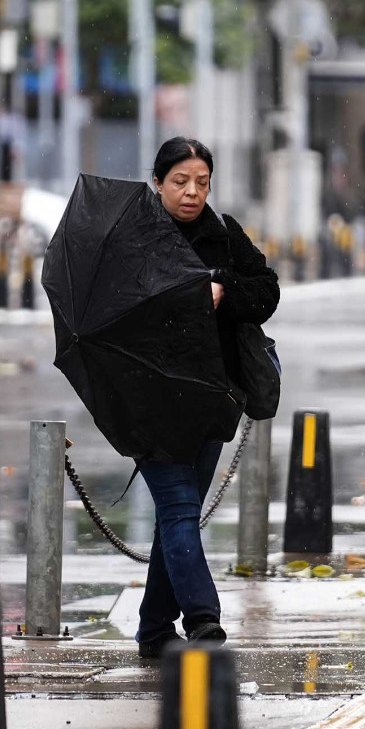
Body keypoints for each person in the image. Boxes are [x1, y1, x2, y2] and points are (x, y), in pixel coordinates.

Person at [135, 137, 280, 659]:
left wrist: (224, 292)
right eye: (180, 182)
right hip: (149, 402)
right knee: (177, 508)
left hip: (213, 398)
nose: (192, 192)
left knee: (181, 514)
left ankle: (153, 628)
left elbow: (267, 290)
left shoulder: (223, 235)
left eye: (202, 182)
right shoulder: (135, 239)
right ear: (157, 183)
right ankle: (203, 620)